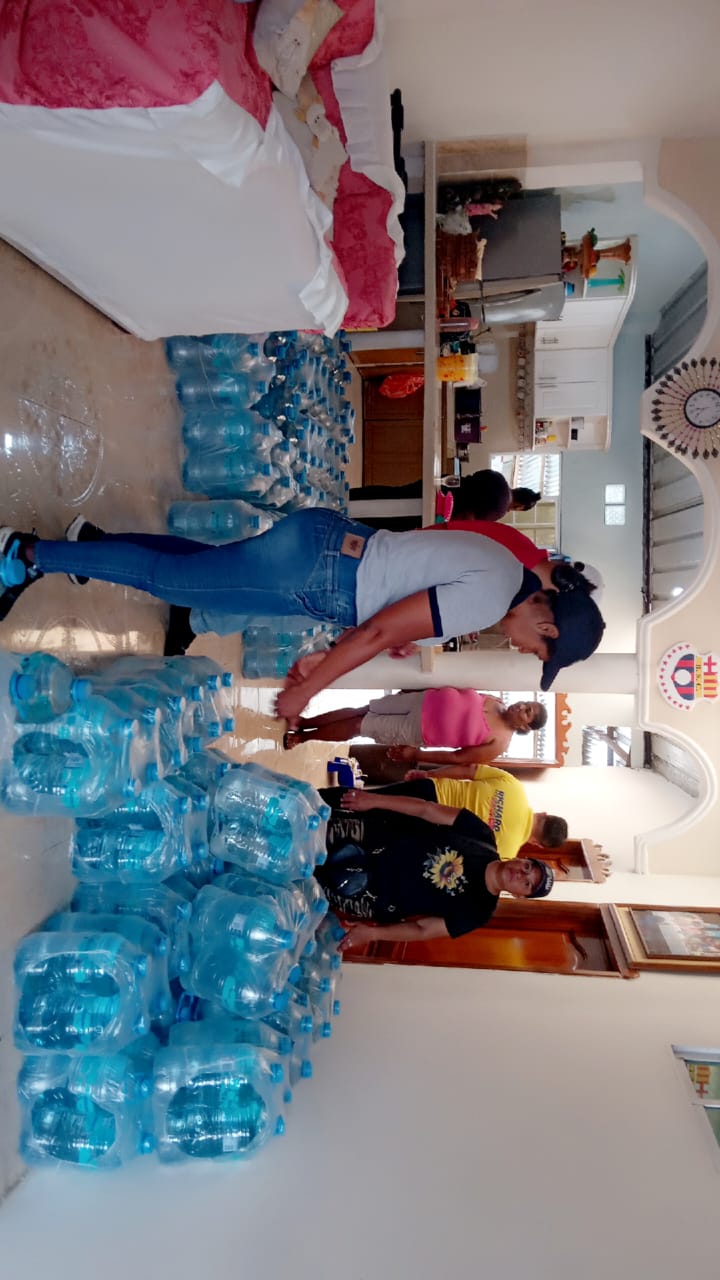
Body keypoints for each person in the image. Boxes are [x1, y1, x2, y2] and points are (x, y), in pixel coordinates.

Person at [0, 510, 605, 719]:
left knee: (194, 569)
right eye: (538, 651)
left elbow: (396, 596)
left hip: (327, 556)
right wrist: (309, 691)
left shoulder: (502, 567)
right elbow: (378, 630)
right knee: (170, 580)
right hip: (317, 572)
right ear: (546, 626)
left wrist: (357, 645)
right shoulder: (494, 595)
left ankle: (87, 546)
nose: (524, 652)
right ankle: (27, 555)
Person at [315, 786, 554, 951]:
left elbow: (423, 929)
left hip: (368, 895)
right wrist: (375, 800)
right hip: (366, 838)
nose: (521, 874)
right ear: (522, 858)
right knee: (306, 834)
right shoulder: (481, 833)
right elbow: (426, 809)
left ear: (519, 895)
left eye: (527, 883)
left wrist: (373, 934)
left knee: (302, 880)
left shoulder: (479, 912)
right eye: (527, 867)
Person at [284, 691, 547, 768]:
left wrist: (416, 754)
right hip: (421, 700)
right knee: (360, 710)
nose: (521, 706)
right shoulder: (497, 700)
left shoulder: (498, 744)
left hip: (417, 729)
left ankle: (304, 737)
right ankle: (304, 722)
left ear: (525, 726)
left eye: (528, 711)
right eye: (526, 703)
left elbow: (457, 758)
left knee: (358, 725)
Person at [365, 763, 567, 862]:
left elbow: (470, 770)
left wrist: (429, 774)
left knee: (365, 798)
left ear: (544, 814)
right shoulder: (505, 854)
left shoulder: (515, 787)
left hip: (432, 791)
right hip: (426, 831)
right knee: (366, 834)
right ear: (537, 844)